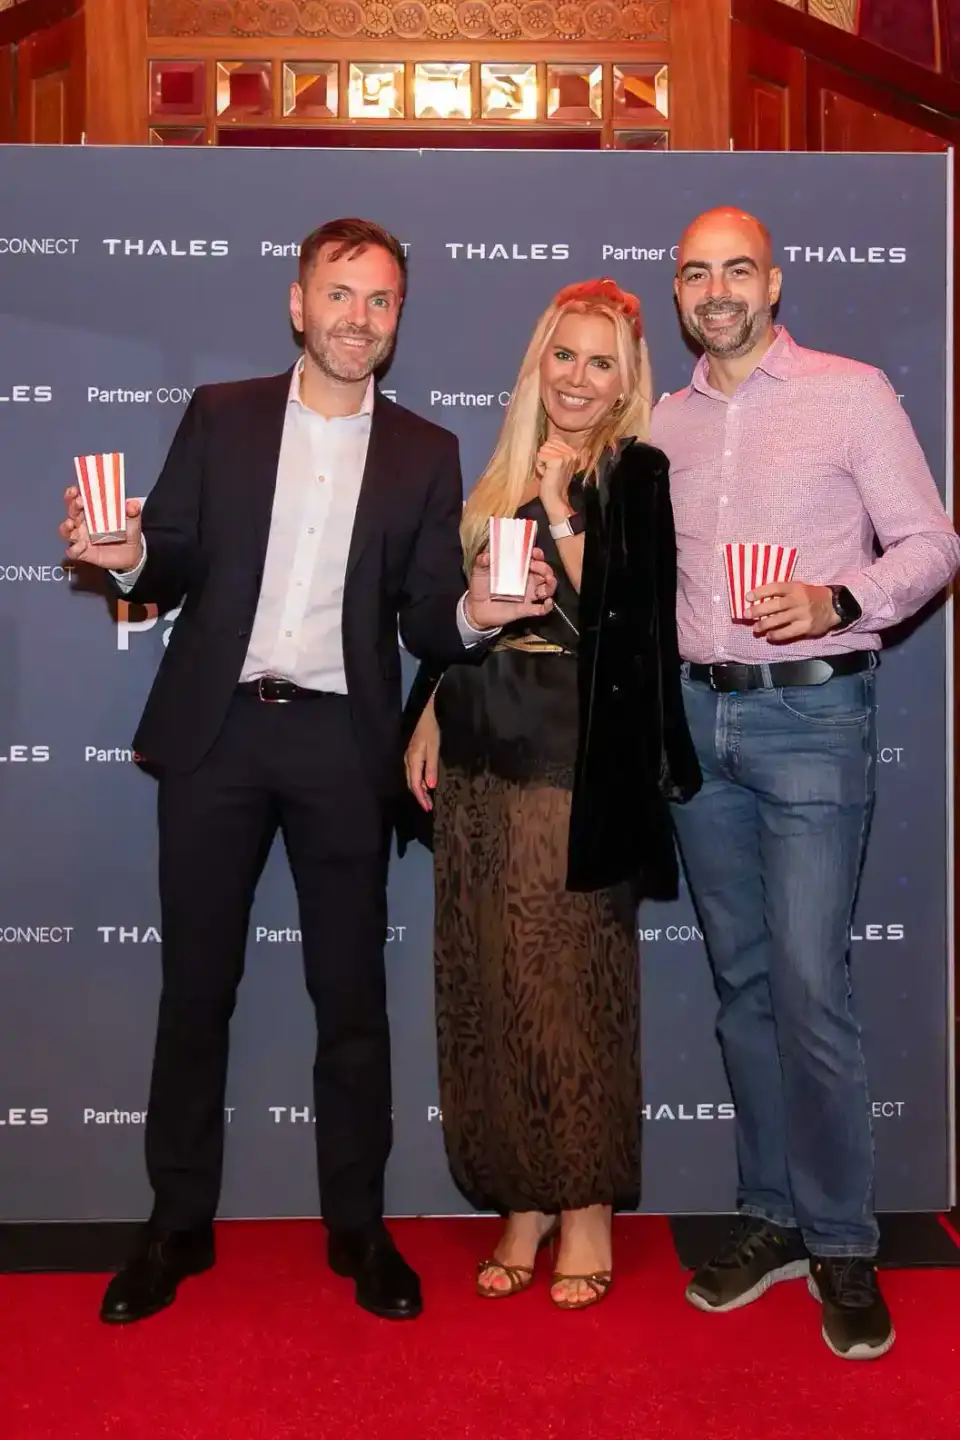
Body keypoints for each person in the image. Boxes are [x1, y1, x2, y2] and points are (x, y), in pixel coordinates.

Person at [59, 217, 557, 1326]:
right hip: (217, 735)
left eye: (380, 300)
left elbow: (424, 613)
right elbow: (171, 553)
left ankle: (359, 1228)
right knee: (196, 992)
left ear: (397, 320)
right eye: (340, 294)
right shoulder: (221, 414)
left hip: (342, 744)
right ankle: (175, 1225)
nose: (358, 318)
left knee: (351, 999)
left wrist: (478, 614)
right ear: (299, 303)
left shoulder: (425, 450)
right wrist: (129, 558)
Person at [652, 206, 960, 1360]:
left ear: (773, 283)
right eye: (697, 274)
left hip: (814, 717)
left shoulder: (851, 392)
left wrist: (840, 599)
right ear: (679, 292)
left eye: (737, 269)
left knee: (809, 983)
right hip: (697, 721)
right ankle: (774, 1215)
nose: (717, 290)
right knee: (742, 985)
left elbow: (932, 542)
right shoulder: (665, 421)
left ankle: (841, 1240)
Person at [401, 278, 701, 1310]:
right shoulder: (500, 471)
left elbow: (631, 618)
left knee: (566, 990)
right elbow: (468, 620)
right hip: (480, 749)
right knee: (484, 981)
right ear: (539, 365)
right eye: (562, 355)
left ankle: (586, 1205)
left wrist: (567, 507)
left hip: (571, 760)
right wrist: (432, 709)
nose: (577, 377)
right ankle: (520, 1197)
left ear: (626, 381)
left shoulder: (637, 471)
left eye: (599, 362)